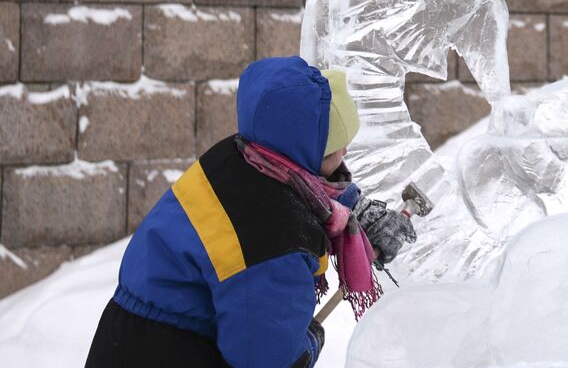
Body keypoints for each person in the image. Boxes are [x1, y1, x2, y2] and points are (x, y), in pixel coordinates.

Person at [85, 56, 416, 367]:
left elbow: (309, 192)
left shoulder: (243, 155)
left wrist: (358, 213)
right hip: (168, 354)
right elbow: (264, 359)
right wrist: (307, 344)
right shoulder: (274, 237)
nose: (345, 151)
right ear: (304, 149)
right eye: (334, 147)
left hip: (128, 335)